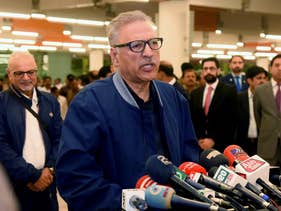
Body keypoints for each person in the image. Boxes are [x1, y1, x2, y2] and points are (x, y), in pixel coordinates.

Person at [56, 10, 199, 210]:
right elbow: (75, 179)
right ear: (114, 56)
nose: (148, 52)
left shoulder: (173, 97)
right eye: (137, 45)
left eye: (153, 43)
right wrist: (134, 204)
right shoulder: (90, 103)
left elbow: (189, 156)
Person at [0, 51, 62, 211]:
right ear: (9, 74)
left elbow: (59, 139)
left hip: (48, 182)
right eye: (19, 73)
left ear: (37, 72)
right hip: (15, 186)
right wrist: (32, 176)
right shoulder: (2, 103)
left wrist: (49, 170)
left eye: (30, 72)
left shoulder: (50, 101)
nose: (26, 78)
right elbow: (2, 146)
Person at [189, 57, 238, 152]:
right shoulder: (195, 93)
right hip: (199, 145)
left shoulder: (229, 91)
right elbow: (193, 119)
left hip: (221, 145)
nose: (208, 71)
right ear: (202, 72)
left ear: (218, 71)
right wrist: (199, 139)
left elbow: (231, 120)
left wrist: (213, 140)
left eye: (212, 68)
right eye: (205, 69)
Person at [254, 54, 281, 165]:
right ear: (270, 68)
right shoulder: (260, 90)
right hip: (267, 144)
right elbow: (258, 116)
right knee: (267, 178)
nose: (280, 68)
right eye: (277, 65)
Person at [236, 65, 267, 155]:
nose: (263, 81)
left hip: (262, 143)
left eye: (264, 78)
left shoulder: (269, 99)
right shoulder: (239, 98)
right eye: (259, 78)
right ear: (249, 80)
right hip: (243, 143)